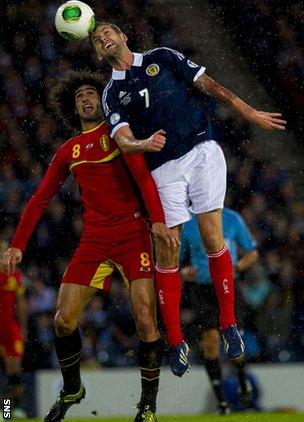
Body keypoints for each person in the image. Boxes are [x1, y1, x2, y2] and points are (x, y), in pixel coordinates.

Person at [90, 22, 286, 370]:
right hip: (163, 166)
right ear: (97, 52)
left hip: (201, 149)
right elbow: (122, 140)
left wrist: (248, 111)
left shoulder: (161, 57)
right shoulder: (110, 94)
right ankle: (177, 341)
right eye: (96, 38)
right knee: (168, 250)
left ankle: (229, 324)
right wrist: (142, 144)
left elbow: (209, 86)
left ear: (123, 36)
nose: (103, 38)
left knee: (213, 238)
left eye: (107, 32)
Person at [1, 70, 178, 422]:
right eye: (79, 95)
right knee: (62, 320)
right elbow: (39, 198)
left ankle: (147, 406)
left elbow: (143, 178)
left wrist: (157, 220)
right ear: (73, 106)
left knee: (146, 321)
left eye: (91, 93)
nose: (85, 99)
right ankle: (72, 389)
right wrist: (17, 244)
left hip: (133, 234)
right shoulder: (70, 149)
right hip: (95, 240)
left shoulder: (118, 136)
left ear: (103, 100)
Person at [180, 208, 258, 414]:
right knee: (211, 342)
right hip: (202, 290)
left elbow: (252, 251)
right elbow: (177, 261)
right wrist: (184, 272)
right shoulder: (188, 224)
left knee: (234, 341)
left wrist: (236, 268)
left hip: (227, 286)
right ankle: (221, 401)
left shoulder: (232, 219)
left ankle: (242, 379)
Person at [0, 240, 28, 418]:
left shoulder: (15, 276)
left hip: (10, 328)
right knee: (4, 372)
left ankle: (13, 410)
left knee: (14, 371)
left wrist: (23, 328)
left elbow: (21, 304)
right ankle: (6, 411)